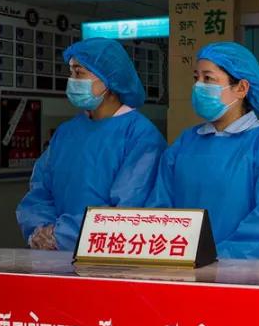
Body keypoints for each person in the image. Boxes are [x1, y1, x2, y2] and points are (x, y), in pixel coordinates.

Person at [149, 42, 259, 259]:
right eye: (196, 78)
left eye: (208, 79)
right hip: (181, 268)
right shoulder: (185, 143)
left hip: (242, 277)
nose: (198, 86)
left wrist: (214, 258)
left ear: (241, 88)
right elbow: (158, 208)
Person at [17, 38, 166, 252]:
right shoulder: (67, 132)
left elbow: (128, 208)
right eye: (71, 73)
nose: (72, 80)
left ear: (109, 80)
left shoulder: (141, 136)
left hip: (109, 257)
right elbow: (40, 191)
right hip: (53, 254)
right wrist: (40, 229)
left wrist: (62, 235)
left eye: (79, 73)